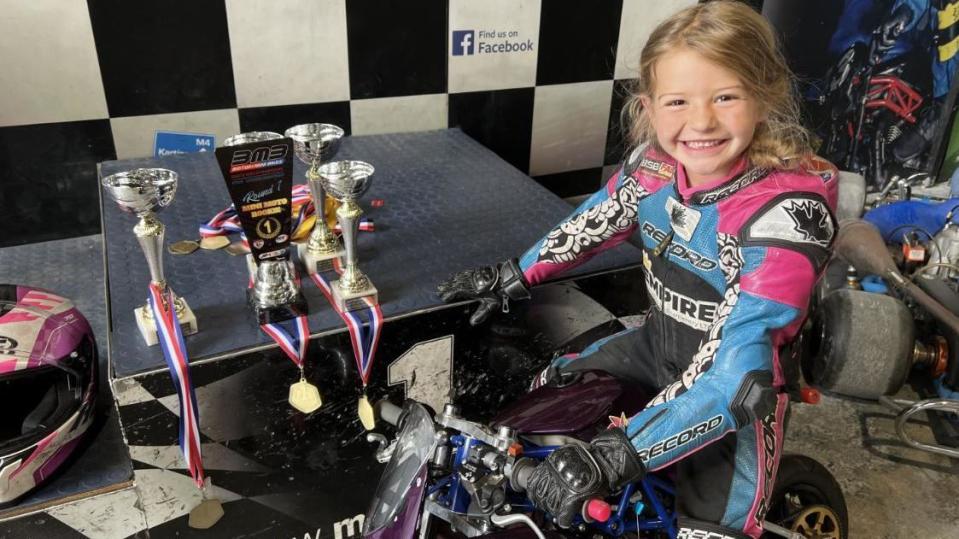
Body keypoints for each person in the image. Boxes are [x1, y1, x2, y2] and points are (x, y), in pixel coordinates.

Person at [437, 2, 840, 538]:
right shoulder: (652, 166)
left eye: (725, 97)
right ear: (648, 107)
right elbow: (596, 221)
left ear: (763, 97)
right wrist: (514, 273)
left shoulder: (789, 214)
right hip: (655, 345)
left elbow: (735, 377)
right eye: (678, 101)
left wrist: (615, 455)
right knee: (541, 400)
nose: (700, 122)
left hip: (739, 398)